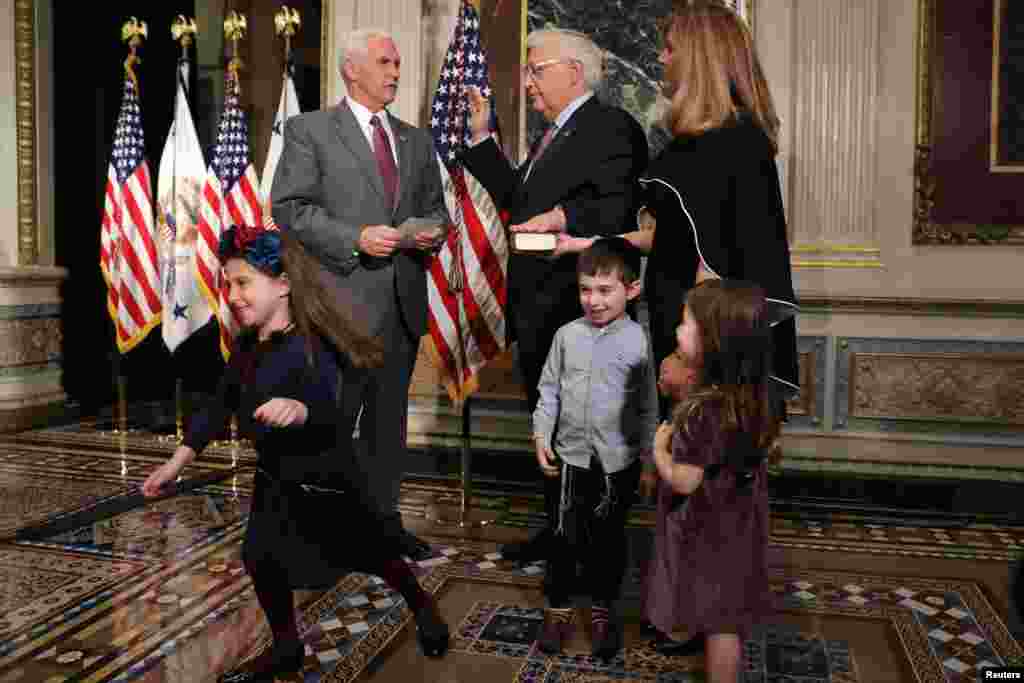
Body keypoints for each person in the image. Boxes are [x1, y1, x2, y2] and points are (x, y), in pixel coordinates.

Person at [141, 225, 450, 683]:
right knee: (260, 559)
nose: (232, 294)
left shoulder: (314, 344)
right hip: (276, 478)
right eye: (228, 283)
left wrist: (301, 409)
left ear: (282, 284)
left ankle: (420, 602)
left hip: (328, 481)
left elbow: (335, 410)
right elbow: (219, 405)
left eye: (243, 282)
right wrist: (177, 461)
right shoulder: (246, 346)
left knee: (373, 554)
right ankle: (287, 648)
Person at [463, 28, 649, 563]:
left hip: (581, 311)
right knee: (551, 428)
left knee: (588, 433)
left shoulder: (611, 127)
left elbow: (618, 208)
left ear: (574, 71)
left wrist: (565, 216)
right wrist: (481, 139)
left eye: (535, 70)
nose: (526, 82)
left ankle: (587, 548)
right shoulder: (554, 135)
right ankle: (560, 530)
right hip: (538, 312)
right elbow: (520, 202)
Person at [271, 29, 448, 561]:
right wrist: (355, 238)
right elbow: (290, 208)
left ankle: (383, 528)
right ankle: (316, 534)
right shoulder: (310, 131)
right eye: (385, 62)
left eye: (397, 62)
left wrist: (425, 229)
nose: (395, 71)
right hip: (339, 310)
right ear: (352, 69)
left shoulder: (417, 141)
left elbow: (438, 212)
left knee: (387, 430)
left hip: (401, 308)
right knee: (329, 424)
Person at [642, 279, 778, 683]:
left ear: (714, 341)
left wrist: (659, 450)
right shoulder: (753, 397)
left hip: (711, 530)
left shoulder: (703, 412)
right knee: (727, 617)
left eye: (686, 325)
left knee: (719, 623)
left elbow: (684, 482)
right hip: (742, 523)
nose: (677, 331)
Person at [531, 238, 656, 659]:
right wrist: (540, 435)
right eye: (586, 289)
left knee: (607, 540)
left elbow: (647, 407)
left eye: (605, 290)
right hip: (569, 457)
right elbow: (548, 391)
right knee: (562, 536)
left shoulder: (639, 341)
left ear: (631, 290)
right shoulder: (567, 336)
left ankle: (602, 611)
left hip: (616, 465)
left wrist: (649, 462)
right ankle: (558, 609)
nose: (594, 300)